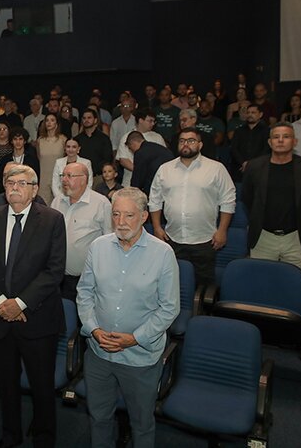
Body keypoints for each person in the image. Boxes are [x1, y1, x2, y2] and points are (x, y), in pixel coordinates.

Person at [0, 165, 66, 448]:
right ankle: (10, 435)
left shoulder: (52, 220)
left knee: (42, 386)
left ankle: (44, 439)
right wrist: (2, 303)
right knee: (6, 385)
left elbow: (54, 270)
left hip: (37, 319)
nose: (14, 187)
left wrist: (20, 303)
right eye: (10, 182)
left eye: (22, 183)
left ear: (35, 190)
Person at [77, 187, 179, 448]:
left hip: (140, 359)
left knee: (141, 425)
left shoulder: (163, 253)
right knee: (99, 418)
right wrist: (94, 330)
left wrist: (134, 338)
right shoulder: (98, 247)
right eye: (116, 214)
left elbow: (169, 308)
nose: (121, 222)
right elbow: (84, 293)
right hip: (99, 354)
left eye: (129, 215)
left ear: (144, 216)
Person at [149, 127, 237, 286]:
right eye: (182, 141)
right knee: (172, 284)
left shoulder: (216, 168)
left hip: (204, 240)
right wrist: (156, 227)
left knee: (203, 287)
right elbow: (155, 200)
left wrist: (222, 230)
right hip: (172, 238)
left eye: (191, 140)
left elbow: (228, 201)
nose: (186, 144)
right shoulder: (165, 169)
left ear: (200, 145)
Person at [241, 123, 301, 276]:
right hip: (263, 236)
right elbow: (248, 198)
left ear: (295, 142)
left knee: (296, 285)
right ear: (270, 142)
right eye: (276, 137)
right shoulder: (254, 166)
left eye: (286, 136)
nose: (280, 140)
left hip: (296, 237)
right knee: (262, 284)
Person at [50, 162, 112, 301]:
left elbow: (110, 240)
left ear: (84, 179)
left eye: (69, 176)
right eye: (63, 175)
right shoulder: (57, 202)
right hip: (58, 278)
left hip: (87, 280)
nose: (64, 179)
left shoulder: (101, 203)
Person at [115, 109, 167, 188]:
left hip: (154, 181)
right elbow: (123, 159)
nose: (152, 124)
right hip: (130, 181)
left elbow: (163, 158)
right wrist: (140, 171)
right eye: (150, 121)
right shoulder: (127, 137)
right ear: (140, 120)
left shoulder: (157, 137)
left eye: (154, 121)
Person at [125, 131, 174, 196]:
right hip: (171, 184)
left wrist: (132, 194)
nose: (131, 151)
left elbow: (137, 178)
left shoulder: (140, 152)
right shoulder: (157, 147)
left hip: (156, 188)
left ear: (132, 143)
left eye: (130, 148)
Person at [230, 104, 271, 178]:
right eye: (248, 112)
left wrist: (251, 164)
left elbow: (266, 149)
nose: (250, 115)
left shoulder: (266, 131)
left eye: (253, 112)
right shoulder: (239, 131)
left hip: (260, 168)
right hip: (240, 168)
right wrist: (243, 163)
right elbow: (234, 148)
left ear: (260, 114)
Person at [0, 127, 40, 193]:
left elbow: (35, 179)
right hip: (8, 193)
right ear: (11, 141)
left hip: (26, 193)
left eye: (20, 139)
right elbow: (0, 180)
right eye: (15, 139)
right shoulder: (5, 160)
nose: (18, 142)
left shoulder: (32, 160)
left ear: (25, 141)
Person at [35, 113, 67, 204]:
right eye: (47, 120)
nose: (49, 123)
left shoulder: (63, 139)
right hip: (44, 178)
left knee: (59, 204)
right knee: (44, 205)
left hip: (58, 177)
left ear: (56, 124)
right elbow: (39, 157)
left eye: (52, 120)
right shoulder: (40, 140)